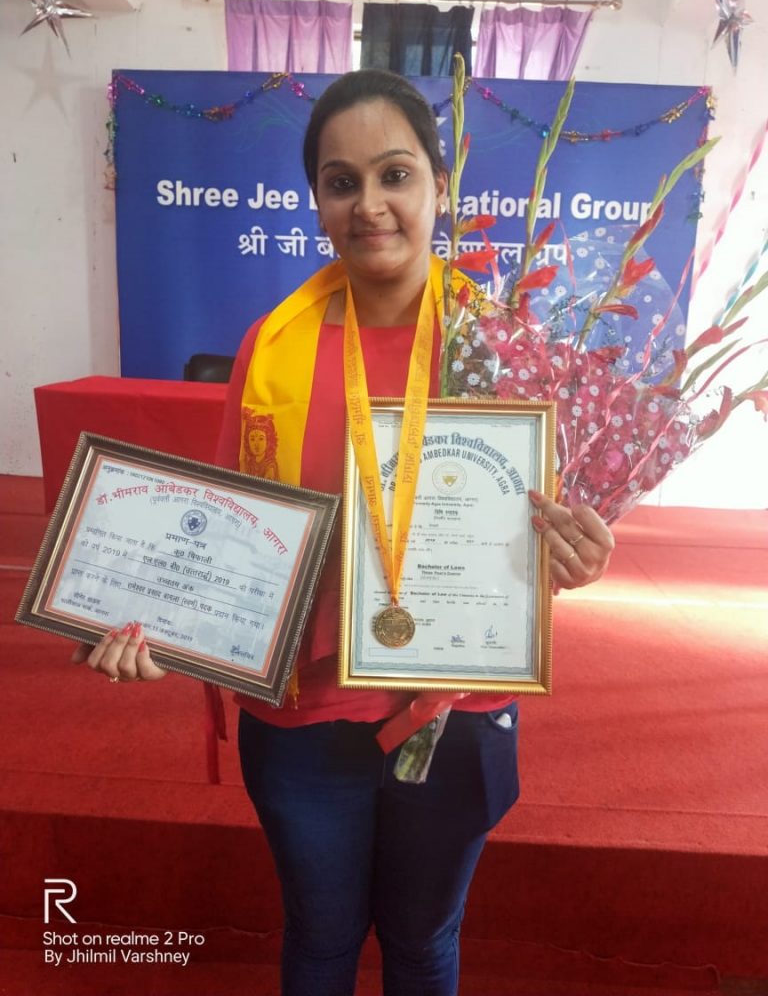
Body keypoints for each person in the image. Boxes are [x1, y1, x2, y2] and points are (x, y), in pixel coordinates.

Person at [74, 70, 615, 996]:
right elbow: (230, 532)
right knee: (321, 942)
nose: (369, 205)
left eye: (394, 174)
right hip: (304, 715)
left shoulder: (502, 346)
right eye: (341, 182)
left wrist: (577, 550)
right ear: (318, 201)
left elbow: (538, 522)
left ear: (439, 184)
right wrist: (164, 622)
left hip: (454, 707)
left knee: (423, 944)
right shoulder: (274, 344)